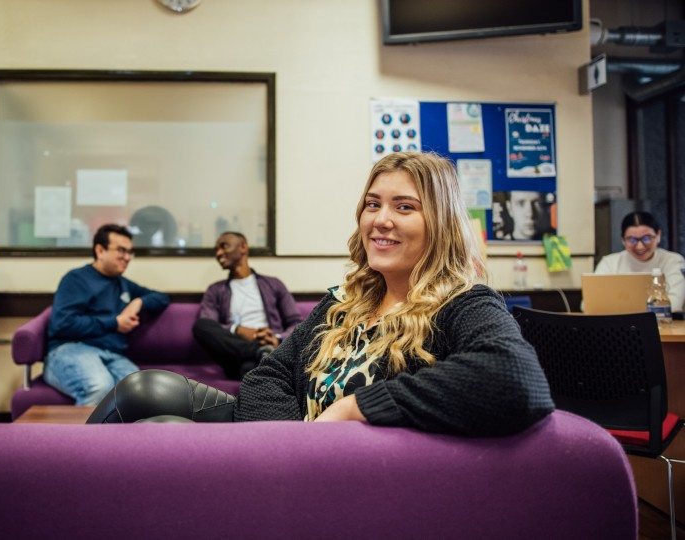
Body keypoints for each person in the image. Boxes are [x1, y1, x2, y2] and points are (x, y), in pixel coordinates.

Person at [88, 152, 554, 437]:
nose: (381, 219)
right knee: (143, 388)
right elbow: (268, 374)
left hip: (357, 470)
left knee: (161, 435)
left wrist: (356, 408)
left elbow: (515, 381)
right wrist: (294, 442)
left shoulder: (464, 303)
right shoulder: (344, 302)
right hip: (291, 445)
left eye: (404, 207)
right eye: (373, 204)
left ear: (441, 224)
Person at [45, 223, 170, 406]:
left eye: (130, 252)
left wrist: (138, 302)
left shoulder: (123, 284)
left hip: (111, 354)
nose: (127, 257)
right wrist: (115, 322)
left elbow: (161, 298)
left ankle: (127, 436)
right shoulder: (76, 279)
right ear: (100, 250)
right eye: (121, 250)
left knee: (144, 392)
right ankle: (82, 436)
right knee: (99, 386)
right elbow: (63, 323)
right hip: (70, 349)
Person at [192, 231, 302, 379]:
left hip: (272, 348)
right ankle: (259, 350)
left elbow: (296, 322)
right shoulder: (215, 290)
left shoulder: (274, 284)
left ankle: (263, 353)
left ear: (243, 247)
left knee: (250, 368)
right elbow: (209, 323)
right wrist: (237, 329)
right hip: (234, 352)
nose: (218, 253)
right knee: (201, 326)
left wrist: (277, 338)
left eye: (223, 246)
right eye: (216, 250)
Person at [595, 211, 685, 311]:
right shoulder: (609, 263)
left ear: (658, 235)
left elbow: (674, 304)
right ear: (623, 240)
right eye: (632, 240)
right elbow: (589, 304)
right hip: (618, 324)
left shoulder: (673, 261)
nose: (640, 246)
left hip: (663, 323)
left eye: (646, 238)